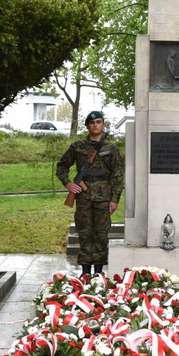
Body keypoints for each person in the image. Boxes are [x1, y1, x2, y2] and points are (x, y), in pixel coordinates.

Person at [56, 111, 125, 277]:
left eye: (99, 122)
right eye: (92, 122)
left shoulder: (111, 148)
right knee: (85, 233)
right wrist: (68, 183)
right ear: (87, 125)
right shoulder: (77, 146)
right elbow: (62, 166)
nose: (95, 125)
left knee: (101, 234)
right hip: (83, 197)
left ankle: (99, 273)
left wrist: (114, 199)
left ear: (104, 125)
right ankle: (85, 272)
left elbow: (118, 175)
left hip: (104, 198)